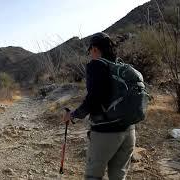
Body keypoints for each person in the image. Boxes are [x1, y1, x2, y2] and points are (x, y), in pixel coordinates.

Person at [64, 32, 136, 180]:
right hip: (129, 131)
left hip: (106, 132)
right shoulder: (120, 65)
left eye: (90, 51)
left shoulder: (96, 65)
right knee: (118, 177)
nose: (90, 54)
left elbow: (93, 99)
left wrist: (73, 115)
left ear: (95, 49)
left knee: (93, 176)